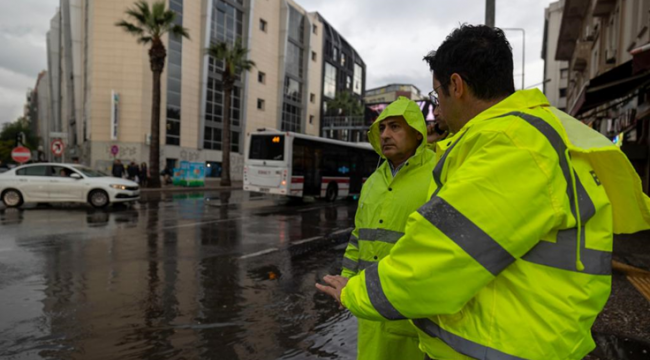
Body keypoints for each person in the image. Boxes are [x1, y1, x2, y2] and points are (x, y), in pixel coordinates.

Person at [316, 24, 650, 360]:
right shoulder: (534, 136)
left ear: (457, 86)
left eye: (437, 95)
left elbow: (438, 259)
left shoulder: (512, 146)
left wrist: (357, 292)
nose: (438, 109)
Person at [340, 97, 435, 360]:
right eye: (381, 129)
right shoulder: (372, 182)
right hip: (369, 305)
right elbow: (359, 235)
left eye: (395, 127)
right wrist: (347, 280)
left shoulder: (438, 175)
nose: (385, 135)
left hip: (413, 308)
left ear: (417, 133)